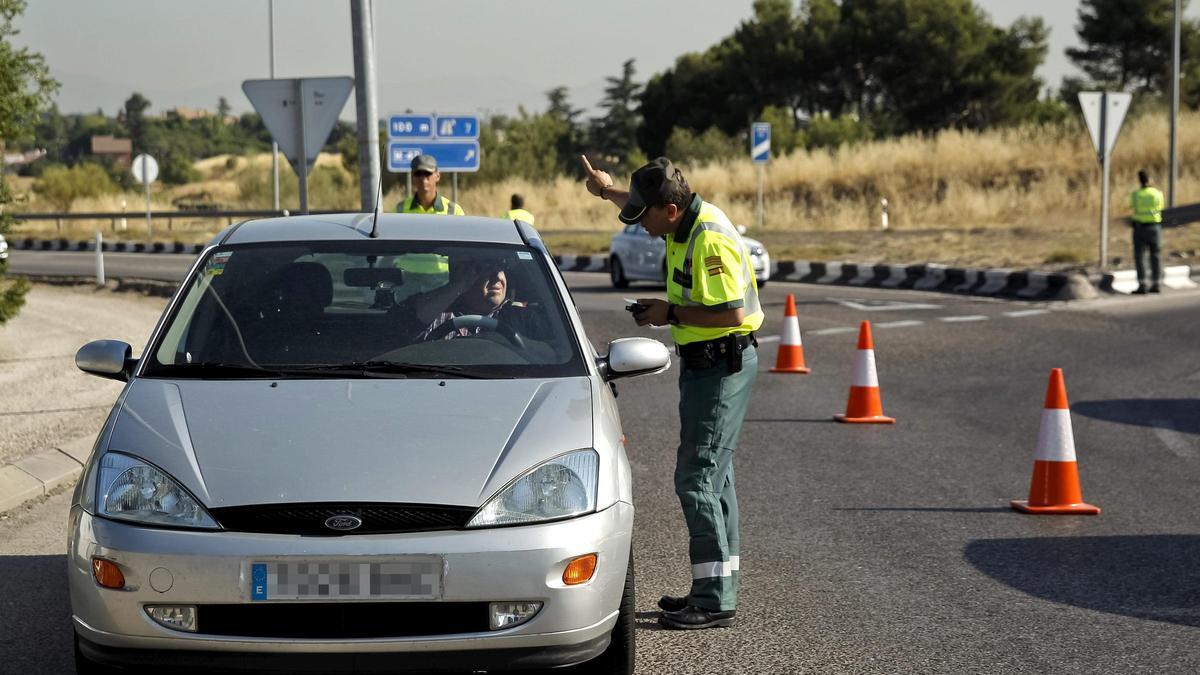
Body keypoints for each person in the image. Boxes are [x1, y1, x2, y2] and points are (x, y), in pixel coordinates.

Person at [581, 154, 763, 630]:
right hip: (707, 363)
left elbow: (731, 313)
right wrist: (606, 190)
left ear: (671, 210)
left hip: (720, 364)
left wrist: (670, 314)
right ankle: (717, 584)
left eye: (645, 217)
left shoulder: (708, 239)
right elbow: (640, 205)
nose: (641, 227)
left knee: (697, 479)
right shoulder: (680, 223)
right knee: (716, 478)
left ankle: (713, 600)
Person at [1129, 169, 1165, 294]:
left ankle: (1142, 284)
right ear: (1149, 179)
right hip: (1154, 227)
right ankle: (1156, 283)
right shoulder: (1157, 194)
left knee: (1140, 256)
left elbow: (1132, 207)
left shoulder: (1136, 195)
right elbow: (1160, 207)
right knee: (1155, 255)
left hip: (1140, 228)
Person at [396, 154, 465, 215]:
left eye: (427, 173)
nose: (423, 178)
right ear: (412, 177)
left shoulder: (454, 212)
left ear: (437, 176)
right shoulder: (399, 210)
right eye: (418, 173)